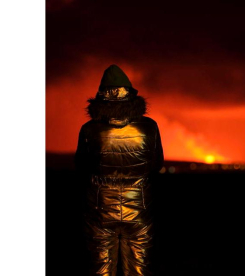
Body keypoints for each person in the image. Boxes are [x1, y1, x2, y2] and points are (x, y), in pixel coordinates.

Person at [75, 64, 164, 276]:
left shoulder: (89, 130)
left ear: (100, 96)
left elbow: (81, 166)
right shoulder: (149, 127)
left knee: (101, 270)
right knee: (138, 270)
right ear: (131, 95)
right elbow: (157, 164)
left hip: (100, 208)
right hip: (139, 208)